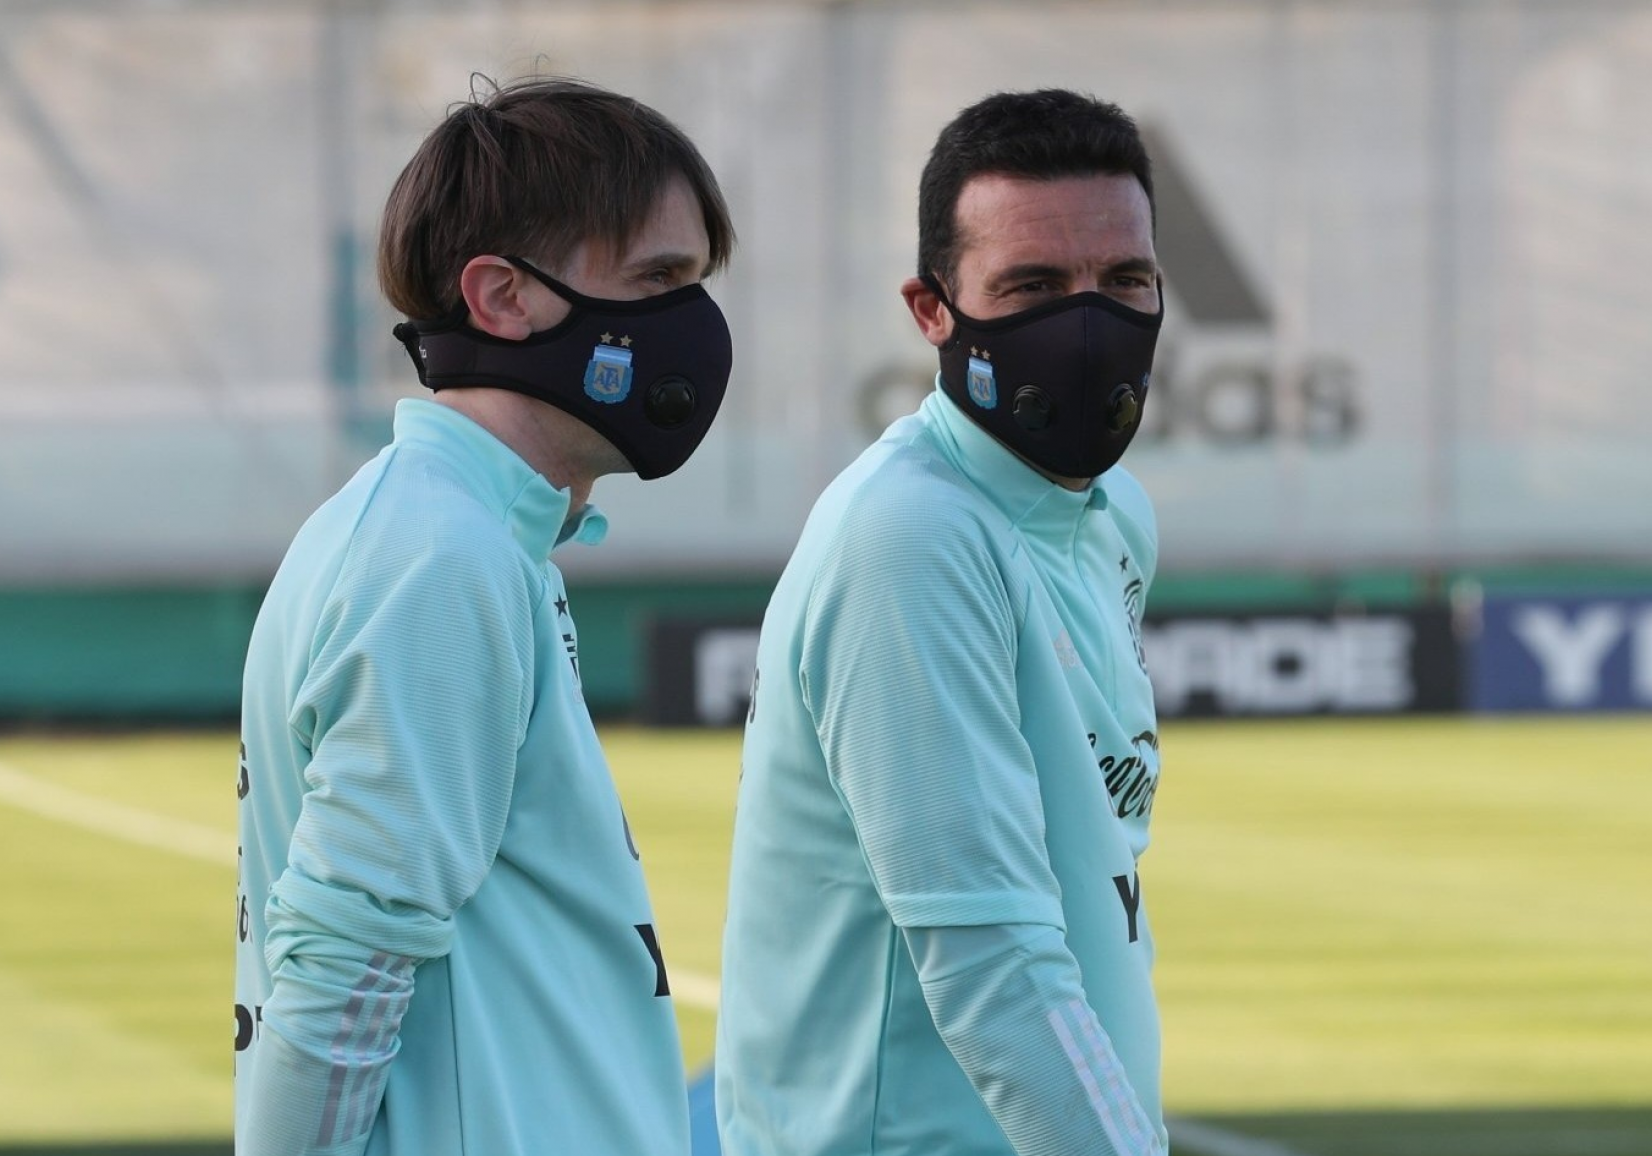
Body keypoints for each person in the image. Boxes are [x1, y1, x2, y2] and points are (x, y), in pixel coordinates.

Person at [234, 76, 734, 1155]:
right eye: (658, 279)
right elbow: (340, 974)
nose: (694, 325)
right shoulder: (442, 557)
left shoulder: (470, 534)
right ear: (504, 296)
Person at [715, 89, 1168, 1156]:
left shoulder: (1110, 516)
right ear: (931, 310)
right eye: (1034, 285)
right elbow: (994, 969)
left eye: (1126, 280)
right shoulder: (910, 538)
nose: (1090, 319)